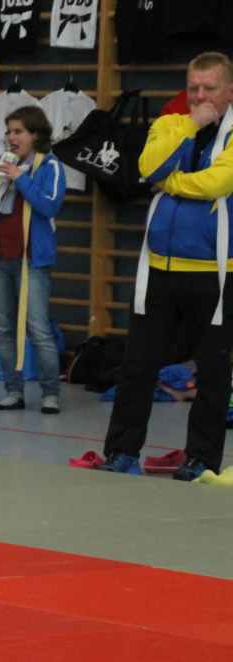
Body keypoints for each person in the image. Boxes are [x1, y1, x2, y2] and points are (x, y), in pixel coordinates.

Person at [100, 52, 233, 481]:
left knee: (213, 372)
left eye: (210, 88)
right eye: (193, 87)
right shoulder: (170, 123)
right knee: (137, 365)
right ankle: (122, 451)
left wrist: (170, 183)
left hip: (215, 273)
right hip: (159, 269)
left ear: (229, 91)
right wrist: (191, 124)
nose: (200, 95)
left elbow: (219, 182)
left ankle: (201, 459)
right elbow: (148, 166)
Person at [0, 105, 66, 414]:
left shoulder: (50, 166)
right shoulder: (3, 164)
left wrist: (20, 178)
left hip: (31, 261)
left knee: (38, 328)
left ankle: (50, 394)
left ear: (35, 134)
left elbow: (49, 206)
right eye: (8, 131)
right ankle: (13, 392)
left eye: (18, 131)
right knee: (4, 329)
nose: (11, 137)